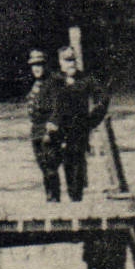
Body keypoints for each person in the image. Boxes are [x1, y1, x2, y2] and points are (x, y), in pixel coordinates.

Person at [46, 45, 108, 203]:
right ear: (60, 62)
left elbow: (103, 97)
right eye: (67, 60)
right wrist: (47, 123)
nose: (71, 63)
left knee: (75, 170)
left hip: (78, 131)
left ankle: (76, 203)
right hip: (56, 133)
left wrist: (91, 121)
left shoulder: (86, 79)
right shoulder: (53, 81)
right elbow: (42, 104)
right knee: (50, 169)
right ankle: (54, 205)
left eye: (73, 59)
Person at [25, 49, 63, 201]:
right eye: (33, 65)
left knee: (50, 167)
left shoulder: (52, 83)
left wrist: (51, 128)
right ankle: (50, 197)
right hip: (36, 131)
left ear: (46, 65)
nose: (36, 68)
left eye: (39, 65)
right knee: (43, 167)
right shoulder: (37, 83)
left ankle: (54, 198)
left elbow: (58, 107)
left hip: (48, 132)